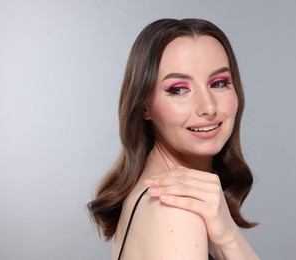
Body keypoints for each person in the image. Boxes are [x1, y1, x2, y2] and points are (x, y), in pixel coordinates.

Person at [88, 18, 260, 260]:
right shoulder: (175, 210)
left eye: (219, 83)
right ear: (145, 106)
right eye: (178, 89)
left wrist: (230, 235)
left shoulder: (163, 196)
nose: (209, 107)